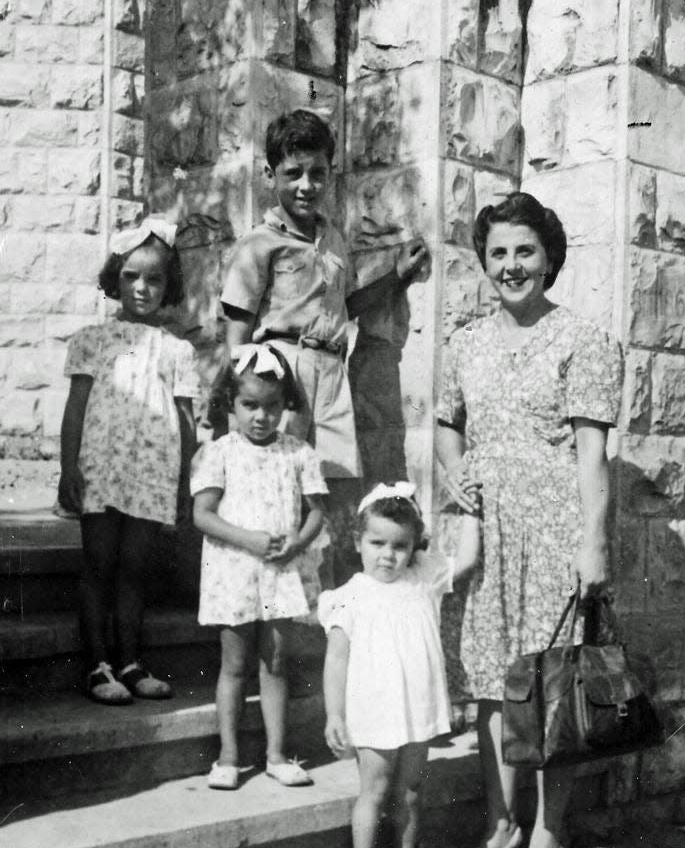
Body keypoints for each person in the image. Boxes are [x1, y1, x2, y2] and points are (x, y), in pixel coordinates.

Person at [435, 192, 623, 848]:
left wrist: (594, 542)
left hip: (554, 536)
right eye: (498, 254)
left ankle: (548, 837)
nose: (511, 266)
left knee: (553, 690)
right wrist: (464, 486)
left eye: (524, 251)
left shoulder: (582, 338)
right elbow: (448, 425)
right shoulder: (467, 343)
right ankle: (500, 830)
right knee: (491, 686)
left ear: (549, 258)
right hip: (492, 540)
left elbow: (592, 454)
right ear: (485, 265)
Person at [215, 108, 429, 495]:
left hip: (332, 373)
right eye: (293, 173)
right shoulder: (258, 244)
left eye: (317, 173)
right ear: (270, 175)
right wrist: (242, 403)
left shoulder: (334, 242)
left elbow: (346, 306)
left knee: (335, 488)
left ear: (330, 173)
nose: (306, 185)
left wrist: (395, 275)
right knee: (276, 486)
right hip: (279, 371)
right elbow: (237, 339)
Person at [58, 218, 199, 705]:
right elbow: (76, 408)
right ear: (115, 279)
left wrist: (185, 484)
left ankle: (131, 661)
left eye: (155, 279)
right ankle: (98, 665)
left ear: (170, 285)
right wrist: (67, 468)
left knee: (136, 567)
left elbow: (186, 420)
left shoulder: (178, 349)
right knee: (99, 562)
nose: (143, 288)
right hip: (101, 467)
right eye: (132, 277)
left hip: (151, 472)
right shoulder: (93, 341)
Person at [319, 482, 479, 848]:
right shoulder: (349, 595)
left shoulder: (423, 577)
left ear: (414, 548)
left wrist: (472, 512)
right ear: (357, 542)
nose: (388, 555)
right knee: (374, 790)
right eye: (377, 543)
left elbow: (465, 559)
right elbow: (336, 660)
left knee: (410, 790)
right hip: (373, 708)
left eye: (400, 546)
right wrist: (334, 714)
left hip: (417, 706)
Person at [191, 343, 328, 790]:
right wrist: (248, 538)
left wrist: (297, 542)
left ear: (285, 406)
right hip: (233, 571)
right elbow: (203, 514)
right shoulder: (220, 452)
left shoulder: (298, 452)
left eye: (272, 406)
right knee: (233, 664)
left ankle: (276, 753)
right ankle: (228, 757)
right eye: (249, 405)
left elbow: (316, 512)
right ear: (230, 403)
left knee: (276, 663)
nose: (261, 417)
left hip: (280, 573)